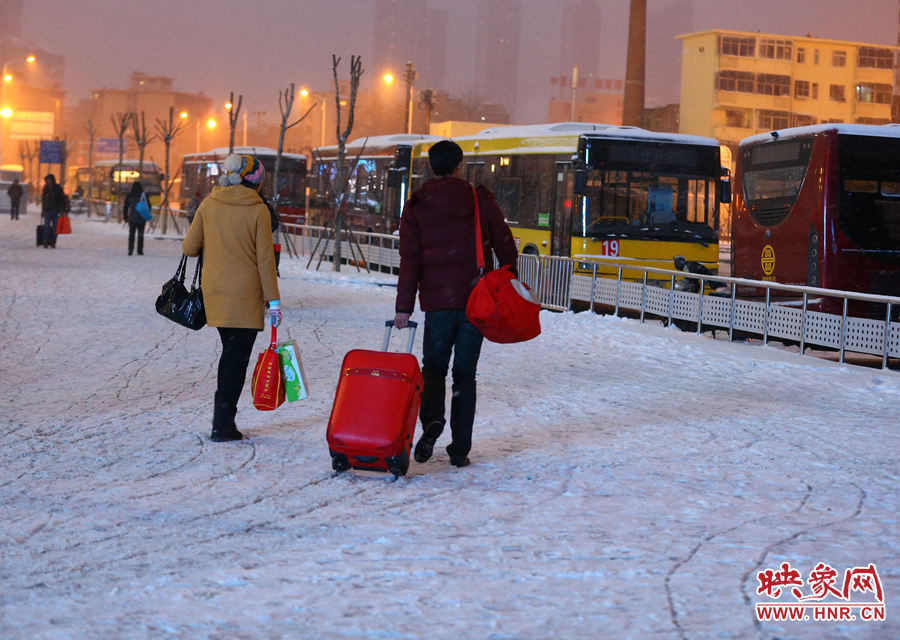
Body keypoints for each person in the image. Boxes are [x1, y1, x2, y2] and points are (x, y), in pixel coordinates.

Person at [393, 140, 518, 468]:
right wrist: (507, 278)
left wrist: (403, 307)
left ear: (431, 167)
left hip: (437, 304)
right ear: (460, 165)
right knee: (465, 374)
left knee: (433, 368)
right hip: (475, 301)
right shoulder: (479, 199)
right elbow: (506, 244)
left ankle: (432, 420)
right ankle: (460, 448)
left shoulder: (418, 204)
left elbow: (410, 261)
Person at [183, 153, 282, 443]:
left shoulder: (209, 204)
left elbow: (190, 247)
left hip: (215, 294)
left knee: (230, 356)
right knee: (235, 361)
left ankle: (223, 421)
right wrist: (273, 301)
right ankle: (222, 425)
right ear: (257, 181)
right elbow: (266, 261)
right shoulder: (258, 210)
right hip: (245, 298)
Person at [40, 174, 65, 248]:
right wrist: (43, 210)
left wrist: (62, 209)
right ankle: (45, 241)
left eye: (50, 180)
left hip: (56, 210)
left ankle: (53, 242)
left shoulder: (58, 188)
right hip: (47, 210)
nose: (49, 181)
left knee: (55, 228)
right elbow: (43, 200)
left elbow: (62, 199)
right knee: (46, 226)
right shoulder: (45, 188)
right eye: (47, 180)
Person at [123, 181, 147, 256]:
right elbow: (148, 205)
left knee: (131, 235)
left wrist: (125, 217)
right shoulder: (143, 195)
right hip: (141, 218)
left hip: (132, 218)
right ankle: (140, 250)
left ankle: (130, 249)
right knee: (140, 235)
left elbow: (125, 207)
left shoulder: (129, 195)